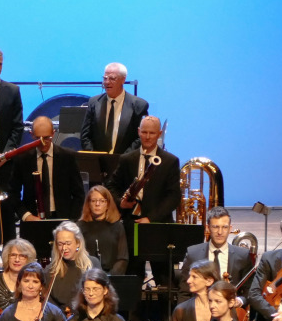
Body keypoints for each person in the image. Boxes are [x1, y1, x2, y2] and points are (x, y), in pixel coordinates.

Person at [106, 115, 182, 288]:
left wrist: (151, 218)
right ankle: (133, 315)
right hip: (131, 227)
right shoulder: (127, 159)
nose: (147, 137)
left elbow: (173, 197)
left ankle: (165, 315)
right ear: (139, 132)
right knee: (132, 277)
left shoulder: (170, 161)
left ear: (159, 134)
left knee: (164, 279)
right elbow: (111, 186)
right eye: (144, 132)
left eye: (152, 133)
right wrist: (121, 202)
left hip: (158, 227)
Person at [12, 116, 85, 222]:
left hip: (64, 220)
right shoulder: (22, 159)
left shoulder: (68, 157)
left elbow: (79, 194)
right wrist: (26, 216)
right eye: (38, 138)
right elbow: (13, 193)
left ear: (53, 133)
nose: (42, 142)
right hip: (33, 220)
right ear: (31, 135)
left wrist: (71, 221)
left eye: (46, 138)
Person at [178, 206, 253, 300]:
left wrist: (240, 301)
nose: (220, 232)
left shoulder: (243, 256)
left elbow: (249, 291)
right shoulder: (193, 254)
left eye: (224, 227)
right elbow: (184, 292)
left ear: (230, 229)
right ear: (208, 228)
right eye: (215, 227)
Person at [80, 63, 150, 154]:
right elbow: (85, 136)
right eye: (105, 78)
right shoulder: (94, 102)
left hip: (126, 162)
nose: (107, 82)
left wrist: (124, 159)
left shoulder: (139, 105)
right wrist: (95, 157)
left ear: (123, 80)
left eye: (112, 78)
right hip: (97, 163)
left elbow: (140, 137)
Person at [47, 221, 100, 311]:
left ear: (78, 243)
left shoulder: (92, 263)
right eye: (60, 244)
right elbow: (51, 307)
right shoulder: (51, 270)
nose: (64, 248)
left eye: (68, 243)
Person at [78, 185, 128, 274]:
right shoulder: (80, 227)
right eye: (93, 201)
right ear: (88, 204)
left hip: (112, 277)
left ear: (108, 204)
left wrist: (109, 277)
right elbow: (77, 256)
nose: (97, 204)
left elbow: (122, 258)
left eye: (102, 201)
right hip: (87, 276)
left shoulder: (117, 226)